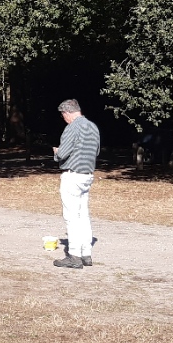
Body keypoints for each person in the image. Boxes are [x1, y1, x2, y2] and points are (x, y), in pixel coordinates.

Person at [52, 98, 100, 268]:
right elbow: (96, 151)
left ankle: (74, 256)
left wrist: (57, 152)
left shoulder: (72, 127)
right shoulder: (93, 127)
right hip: (87, 175)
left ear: (67, 113)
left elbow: (63, 153)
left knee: (71, 216)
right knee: (83, 215)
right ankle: (86, 253)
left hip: (72, 175)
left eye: (63, 115)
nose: (63, 118)